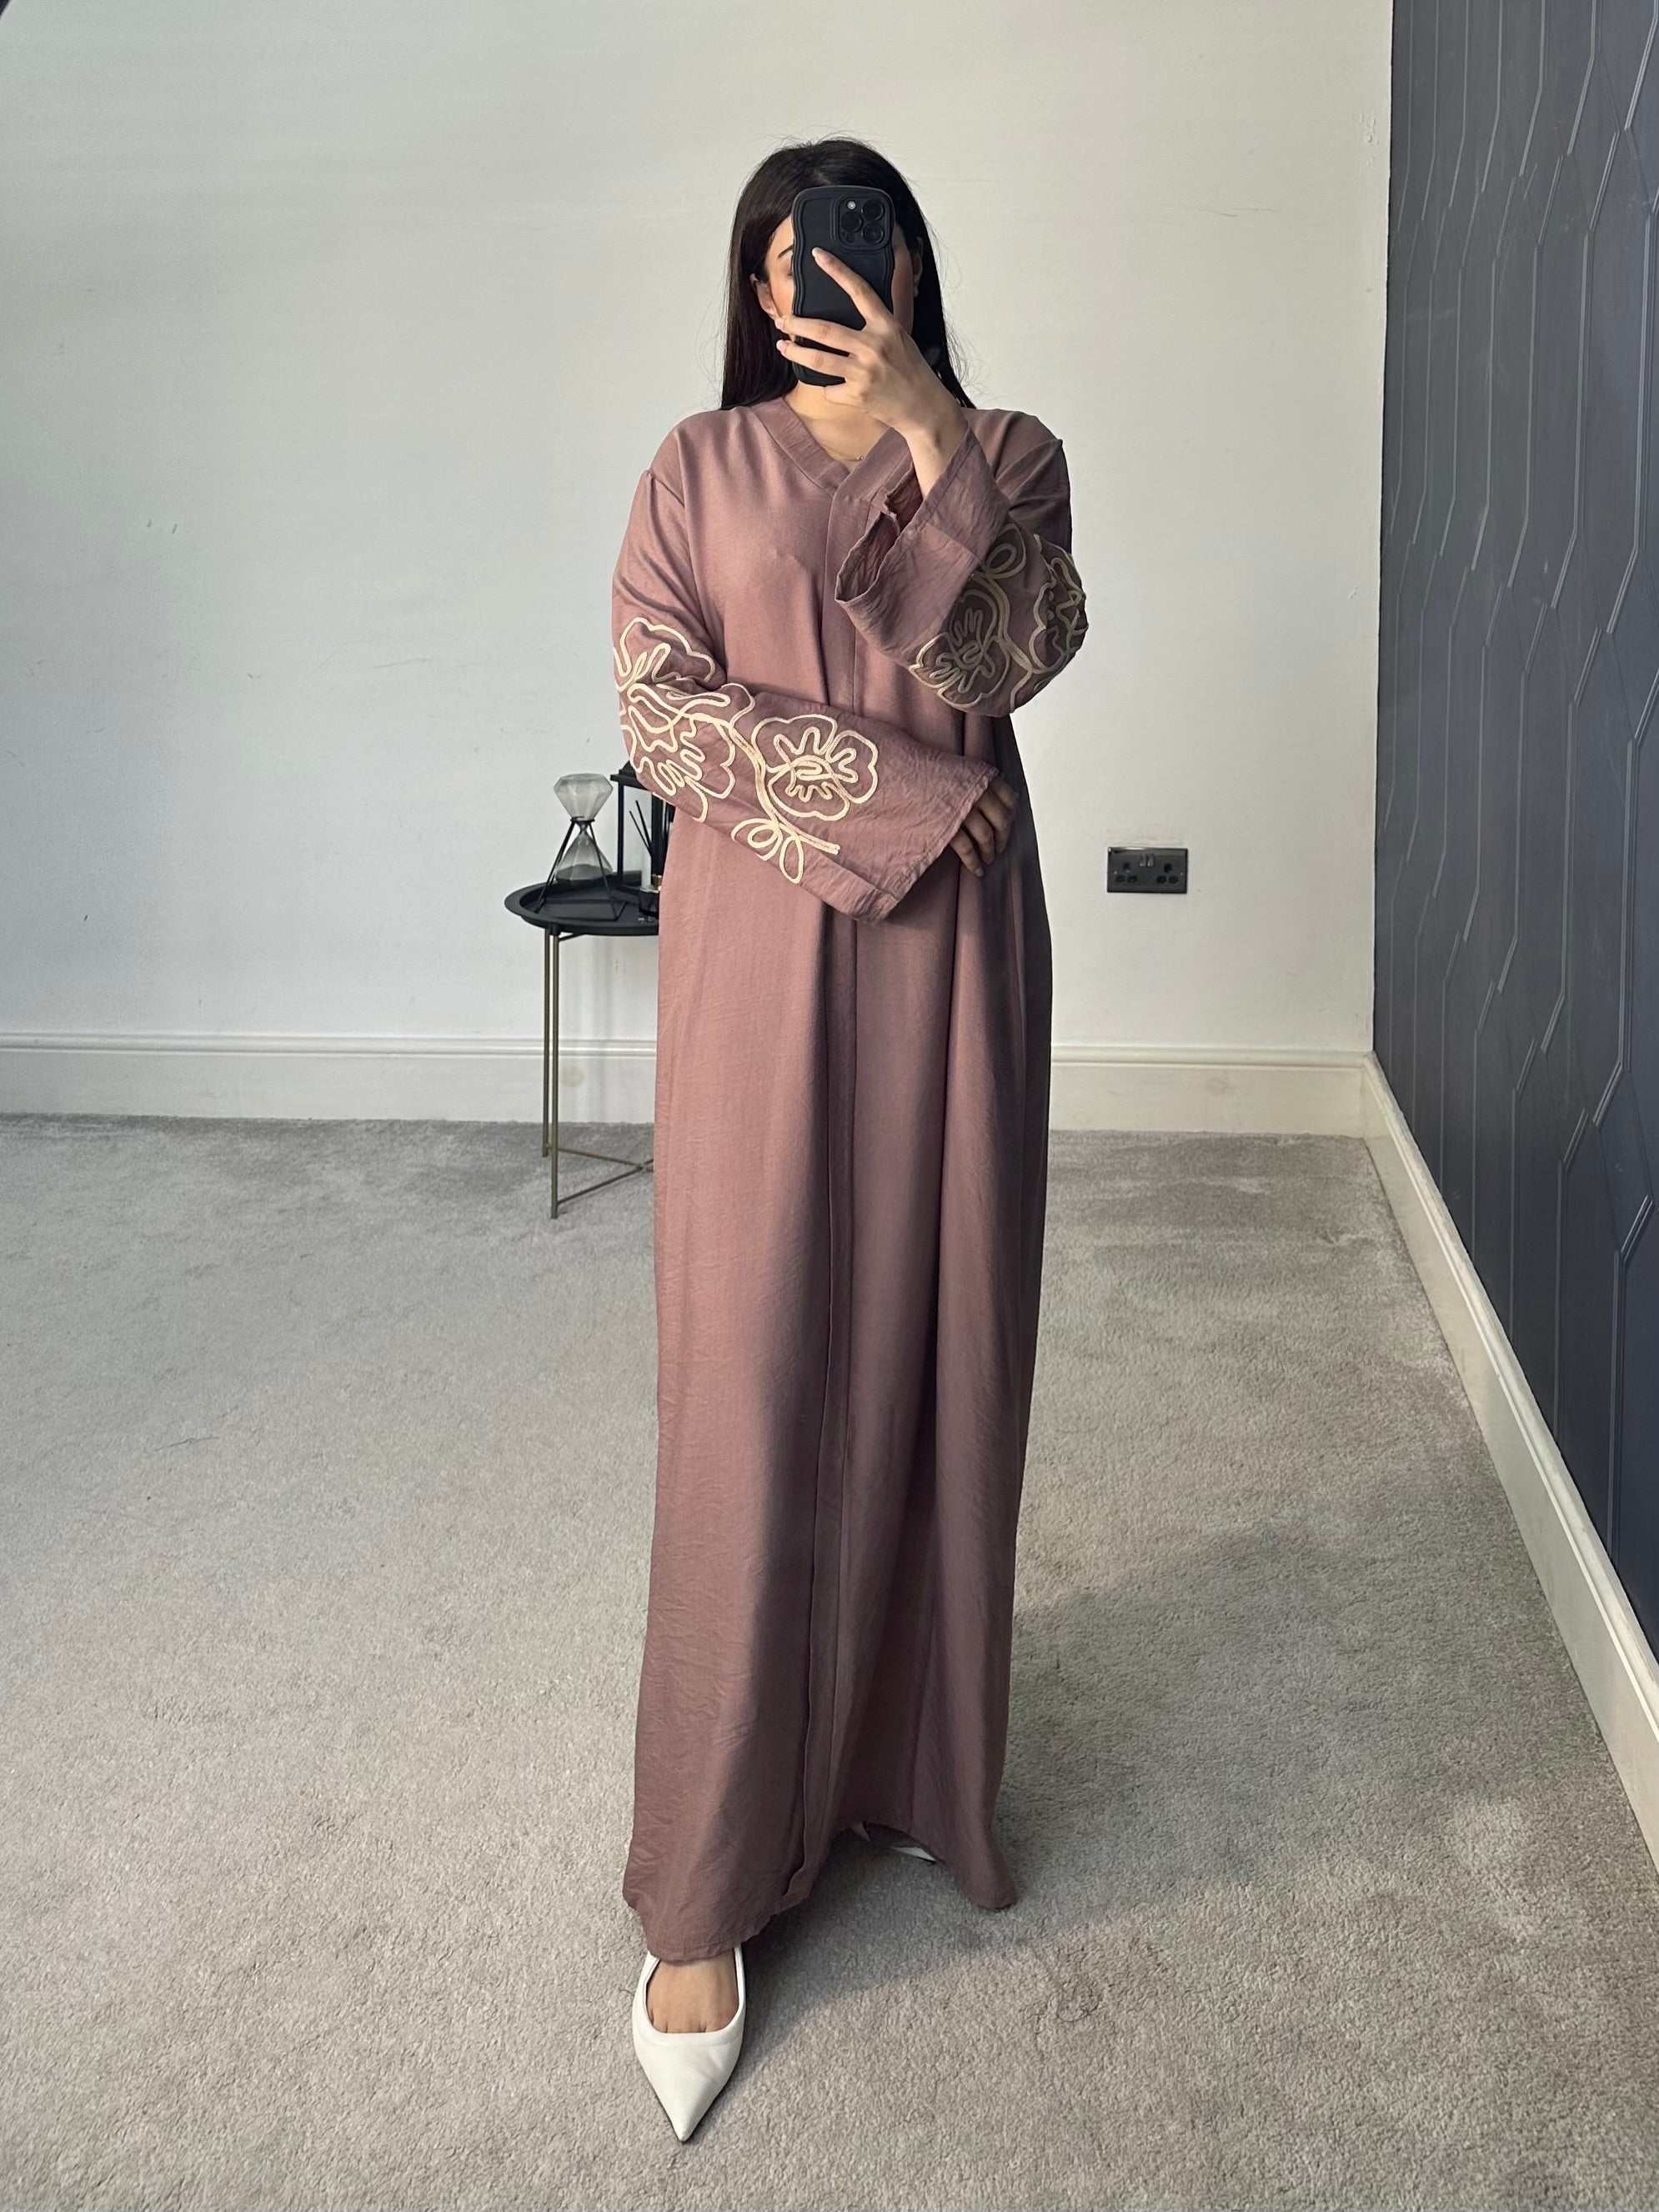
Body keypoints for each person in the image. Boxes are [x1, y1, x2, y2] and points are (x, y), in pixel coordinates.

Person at [609, 136, 1088, 2140]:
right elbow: (659, 707)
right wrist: (901, 801)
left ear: (906, 266)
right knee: (748, 1376)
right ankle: (703, 1880)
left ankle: (903, 1762)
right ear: (755, 281)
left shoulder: (1009, 453)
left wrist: (931, 437)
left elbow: (1014, 656)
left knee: (935, 1351)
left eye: (860, 250)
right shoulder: (694, 468)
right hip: (761, 965)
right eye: (790, 259)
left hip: (955, 979)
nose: (823, 283)